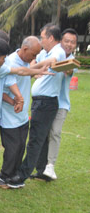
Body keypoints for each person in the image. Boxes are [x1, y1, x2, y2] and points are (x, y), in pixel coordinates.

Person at [22, 24, 66, 182]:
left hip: (46, 101)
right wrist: (35, 71)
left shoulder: (58, 51)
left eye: (42, 38)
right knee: (40, 136)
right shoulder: (44, 52)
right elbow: (33, 62)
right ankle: (41, 170)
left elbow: (52, 61)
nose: (41, 41)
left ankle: (23, 172)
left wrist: (34, 69)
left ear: (51, 38)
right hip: (41, 101)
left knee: (36, 137)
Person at [0, 37, 43, 187]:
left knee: (20, 146)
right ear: (24, 49)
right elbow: (0, 91)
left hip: (22, 115)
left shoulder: (25, 62)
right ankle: (5, 176)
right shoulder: (10, 63)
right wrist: (13, 102)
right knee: (13, 148)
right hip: (9, 115)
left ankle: (14, 175)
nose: (34, 58)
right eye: (34, 54)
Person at [42, 28, 77, 180]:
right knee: (43, 134)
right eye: (66, 41)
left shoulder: (72, 61)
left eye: (73, 42)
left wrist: (58, 66)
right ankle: (40, 166)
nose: (69, 44)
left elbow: (68, 71)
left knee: (55, 132)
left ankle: (50, 165)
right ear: (60, 41)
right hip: (46, 100)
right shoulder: (50, 54)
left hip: (61, 103)